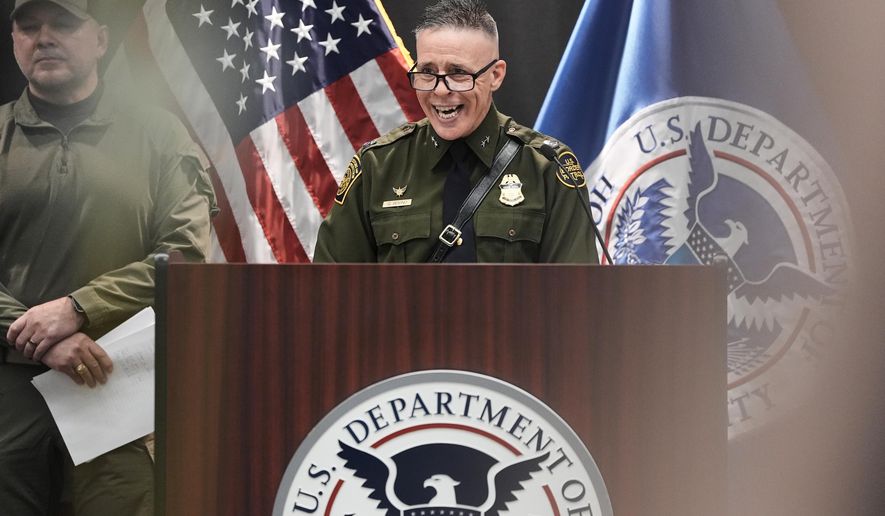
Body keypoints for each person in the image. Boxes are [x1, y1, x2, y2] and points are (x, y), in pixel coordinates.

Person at [0, 0, 217, 514]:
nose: (43, 37)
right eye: (28, 27)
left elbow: (184, 256)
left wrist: (78, 308)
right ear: (13, 43)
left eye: (62, 24)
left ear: (99, 39)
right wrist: (37, 338)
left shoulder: (158, 136)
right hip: (8, 399)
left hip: (117, 389)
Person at [314, 0, 598, 264]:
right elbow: (331, 294)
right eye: (427, 72)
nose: (440, 90)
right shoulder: (377, 167)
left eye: (458, 73)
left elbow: (576, 299)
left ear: (495, 75)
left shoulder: (547, 168)